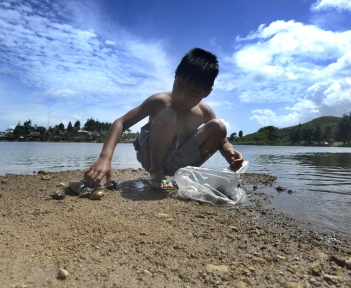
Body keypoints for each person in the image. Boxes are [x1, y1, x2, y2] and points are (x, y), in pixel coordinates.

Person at [84, 47, 244, 189]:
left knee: (218, 127)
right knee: (168, 114)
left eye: (193, 94)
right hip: (150, 157)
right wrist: (105, 157)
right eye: (179, 86)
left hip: (179, 161)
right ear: (174, 77)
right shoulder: (160, 101)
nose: (182, 97)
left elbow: (221, 140)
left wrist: (229, 151)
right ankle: (156, 172)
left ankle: (185, 175)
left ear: (206, 93)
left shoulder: (205, 112)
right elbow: (121, 122)